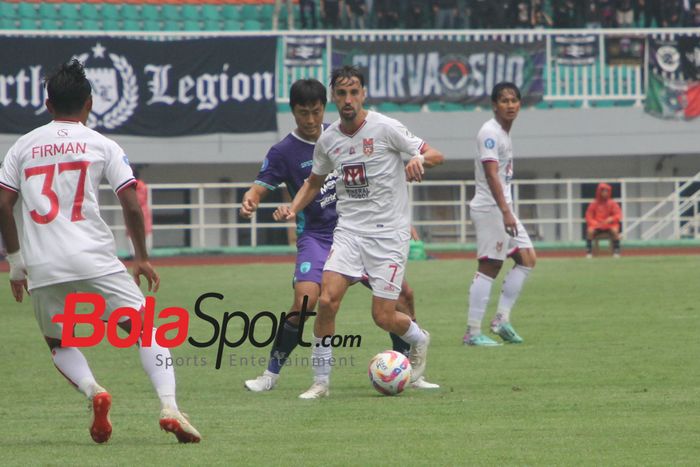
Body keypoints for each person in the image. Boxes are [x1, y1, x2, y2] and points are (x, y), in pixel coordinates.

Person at [0, 60, 200, 444]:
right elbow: (129, 202)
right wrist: (140, 256)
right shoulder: (101, 144)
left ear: (47, 104)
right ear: (89, 104)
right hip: (94, 257)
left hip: (43, 265)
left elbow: (3, 203)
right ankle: (170, 407)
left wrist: (15, 264)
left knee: (60, 343)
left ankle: (94, 390)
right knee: (146, 333)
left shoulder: (22, 145)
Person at [239, 78, 438, 393]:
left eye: (316, 112)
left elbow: (391, 174)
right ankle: (275, 374)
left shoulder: (354, 131)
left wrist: (405, 207)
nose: (310, 120)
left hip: (376, 234)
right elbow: (271, 183)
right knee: (311, 301)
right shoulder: (287, 150)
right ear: (292, 112)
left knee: (401, 300)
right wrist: (256, 198)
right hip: (321, 236)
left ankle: (406, 368)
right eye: (303, 113)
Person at [463, 82, 536, 347]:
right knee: (490, 266)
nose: (510, 105)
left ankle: (501, 320)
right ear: (495, 104)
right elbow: (492, 174)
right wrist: (506, 212)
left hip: (503, 209)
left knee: (527, 258)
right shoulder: (490, 133)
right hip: (491, 209)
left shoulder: (504, 134)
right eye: (504, 101)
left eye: (514, 100)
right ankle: (472, 332)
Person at [585, 182, 622, 258]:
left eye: (607, 191)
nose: (605, 193)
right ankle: (589, 252)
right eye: (603, 191)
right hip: (597, 226)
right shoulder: (593, 204)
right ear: (600, 192)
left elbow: (618, 214)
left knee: (615, 231)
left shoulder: (613, 203)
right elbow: (588, 216)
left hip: (609, 225)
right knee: (590, 231)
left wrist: (611, 218)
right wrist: (594, 223)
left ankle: (616, 251)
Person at [126, 166, 153, 258]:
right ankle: (144, 253)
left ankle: (134, 253)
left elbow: (138, 200)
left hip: (138, 210)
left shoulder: (133, 185)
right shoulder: (142, 185)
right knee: (145, 231)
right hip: (143, 210)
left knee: (134, 231)